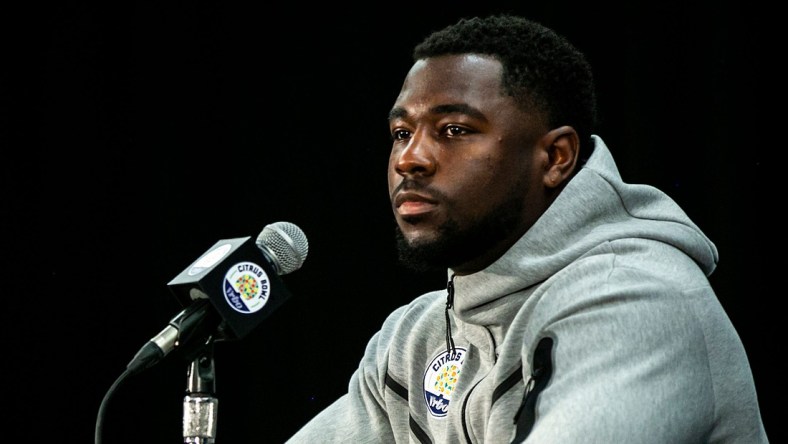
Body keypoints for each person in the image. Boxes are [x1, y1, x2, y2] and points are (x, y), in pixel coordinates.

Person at [286, 14, 768, 443]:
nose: (410, 158)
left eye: (454, 129)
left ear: (556, 157)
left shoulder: (638, 300)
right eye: (401, 133)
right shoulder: (416, 339)